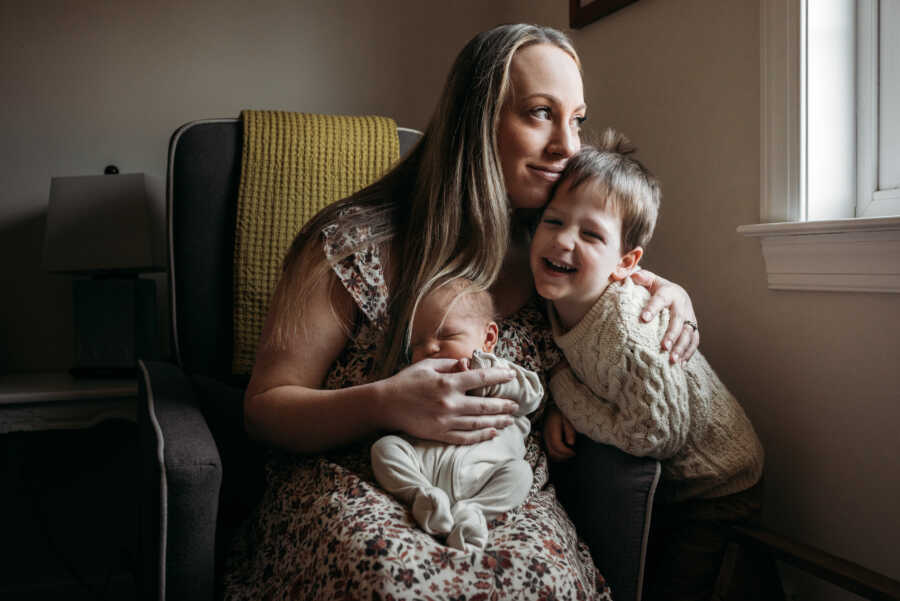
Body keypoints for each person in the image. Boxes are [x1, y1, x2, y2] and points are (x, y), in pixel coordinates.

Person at [225, 24, 701, 600]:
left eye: (575, 119)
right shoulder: (348, 245)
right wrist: (385, 401)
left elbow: (618, 267)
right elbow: (264, 410)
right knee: (390, 580)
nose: (567, 147)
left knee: (541, 584)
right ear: (476, 121)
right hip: (359, 485)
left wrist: (662, 288)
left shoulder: (554, 252)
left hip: (503, 497)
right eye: (539, 113)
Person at [534, 132, 765, 601]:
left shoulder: (628, 330)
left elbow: (655, 435)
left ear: (626, 263)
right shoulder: (557, 294)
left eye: (590, 233)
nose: (562, 240)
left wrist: (564, 394)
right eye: (553, 220)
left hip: (717, 483)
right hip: (665, 476)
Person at [371, 279, 544, 552]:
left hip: (485, 474)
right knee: (385, 449)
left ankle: (475, 511)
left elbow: (533, 395)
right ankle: (421, 496)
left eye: (446, 336)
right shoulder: (416, 379)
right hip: (424, 467)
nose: (428, 349)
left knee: (521, 474)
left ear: (488, 338)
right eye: (416, 343)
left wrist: (487, 378)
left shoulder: (503, 373)